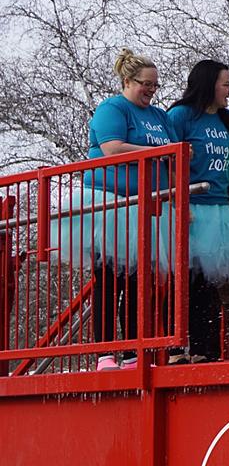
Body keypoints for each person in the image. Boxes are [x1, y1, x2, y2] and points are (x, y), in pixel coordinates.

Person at [53, 49, 177, 371]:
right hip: (108, 205)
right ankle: (105, 354)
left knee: (138, 283)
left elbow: (175, 154)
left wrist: (176, 195)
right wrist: (157, 151)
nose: (151, 90)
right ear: (127, 80)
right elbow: (112, 148)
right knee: (108, 281)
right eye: (145, 84)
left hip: (145, 207)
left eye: (155, 85)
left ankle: (134, 353)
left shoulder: (160, 117)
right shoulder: (112, 108)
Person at [167, 60, 229, 363]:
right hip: (190, 210)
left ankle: (228, 355)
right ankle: (186, 352)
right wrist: (179, 201)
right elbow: (167, 163)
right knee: (189, 283)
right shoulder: (179, 116)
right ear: (209, 84)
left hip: (222, 212)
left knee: (228, 284)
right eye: (226, 83)